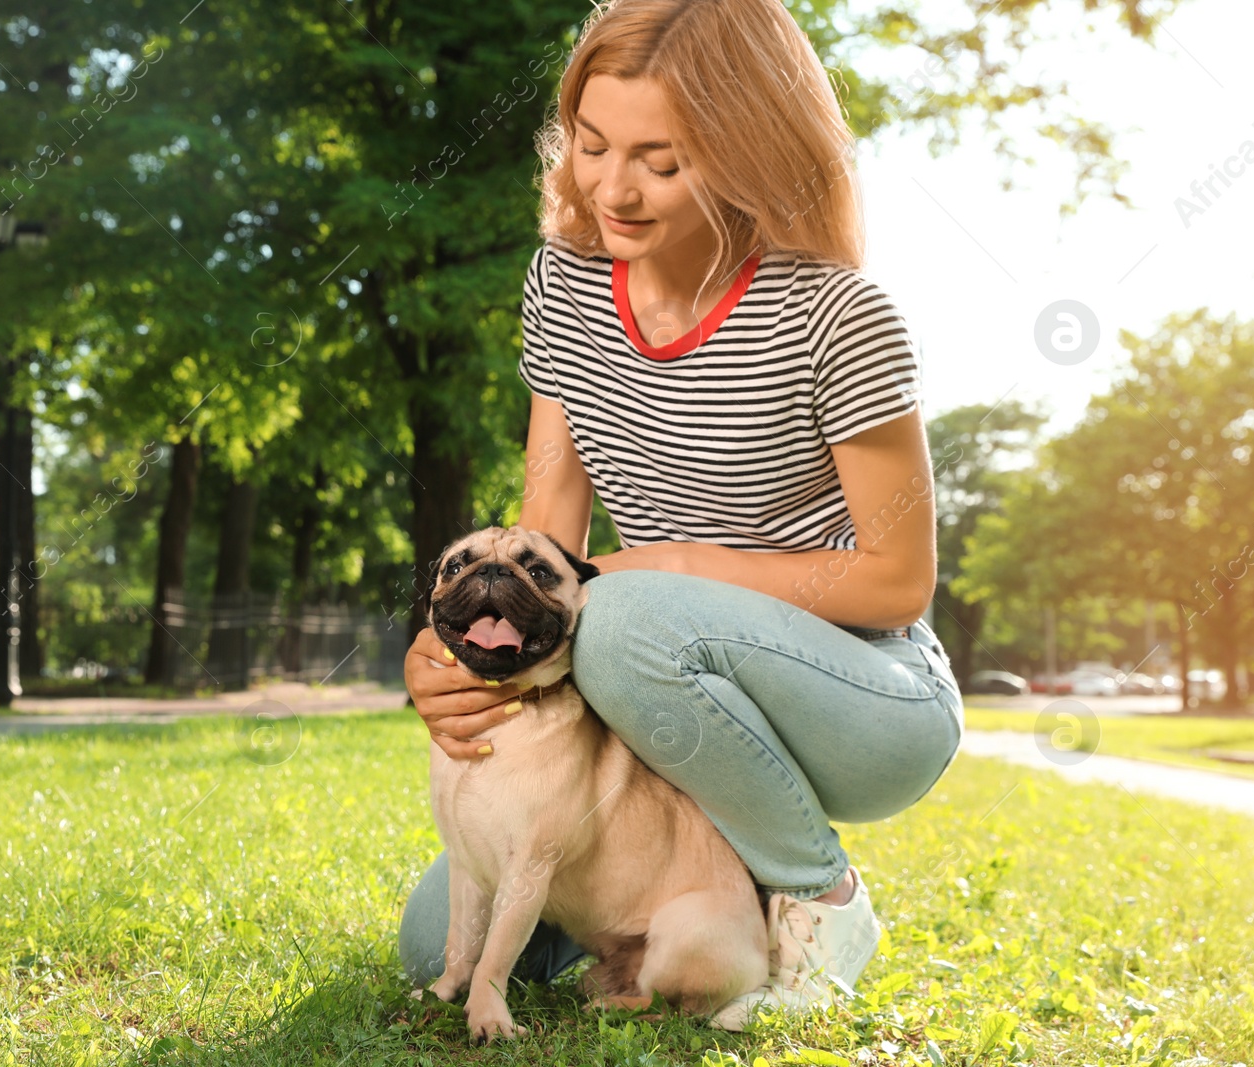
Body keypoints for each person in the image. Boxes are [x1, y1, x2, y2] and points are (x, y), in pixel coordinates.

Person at [397, 0, 963, 1031]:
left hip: (867, 696)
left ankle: (819, 897)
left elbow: (897, 579)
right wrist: (448, 662)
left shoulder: (836, 312)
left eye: (661, 161)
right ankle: (690, 895)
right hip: (651, 685)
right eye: (592, 144)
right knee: (431, 931)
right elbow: (546, 543)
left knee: (621, 611)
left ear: (749, 150)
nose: (612, 187)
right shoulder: (563, 286)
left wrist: (671, 564)